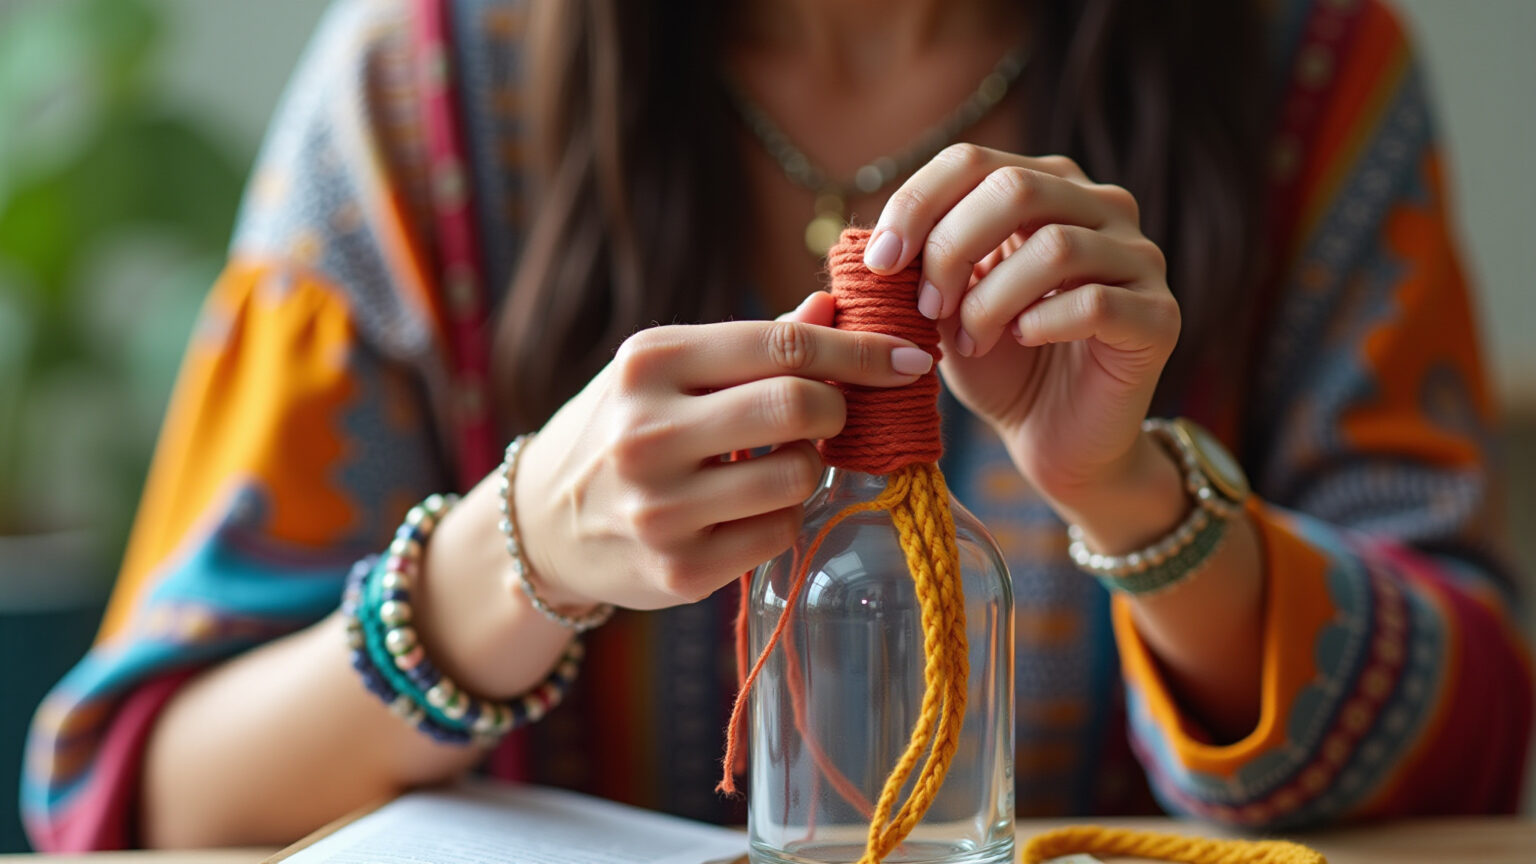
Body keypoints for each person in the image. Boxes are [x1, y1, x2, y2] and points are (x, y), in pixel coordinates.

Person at [22, 0, 1533, 851]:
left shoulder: (1308, 72)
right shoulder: (418, 95)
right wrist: (523, 552)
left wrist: (1130, 497)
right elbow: (141, 805)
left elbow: (1474, 763)